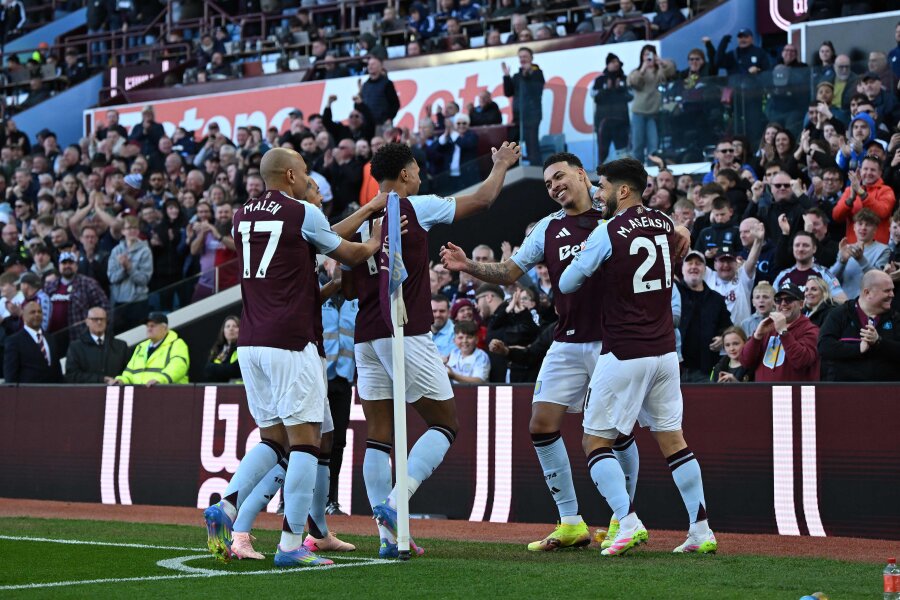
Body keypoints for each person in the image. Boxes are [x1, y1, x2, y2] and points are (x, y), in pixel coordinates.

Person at [441, 152, 690, 552]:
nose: (554, 186)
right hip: (568, 340)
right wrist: (467, 264)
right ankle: (571, 521)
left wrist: (680, 226)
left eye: (559, 177)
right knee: (541, 424)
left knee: (617, 434)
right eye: (547, 183)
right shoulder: (548, 228)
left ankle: (621, 519)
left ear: (581, 174)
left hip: (614, 342)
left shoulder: (612, 213)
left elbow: (651, 218)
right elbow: (509, 271)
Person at [202, 147, 382, 568]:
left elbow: (316, 237)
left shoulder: (242, 215)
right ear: (289, 175)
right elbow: (349, 253)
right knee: (305, 443)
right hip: (291, 341)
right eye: (304, 172)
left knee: (274, 440)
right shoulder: (302, 212)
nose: (307, 178)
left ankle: (227, 506)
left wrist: (366, 209)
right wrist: (376, 239)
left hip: (251, 341)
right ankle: (289, 545)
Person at [342, 141, 520, 558]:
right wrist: (500, 165)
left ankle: (388, 538)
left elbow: (347, 284)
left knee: (379, 437)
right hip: (404, 329)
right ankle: (395, 503)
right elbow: (483, 199)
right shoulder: (416, 206)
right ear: (405, 174)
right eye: (417, 170)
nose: (421, 176)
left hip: (365, 334)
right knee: (445, 423)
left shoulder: (361, 218)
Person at [558, 156, 715, 556]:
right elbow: (676, 236)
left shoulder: (607, 231)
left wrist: (587, 259)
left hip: (625, 350)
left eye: (602, 187)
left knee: (595, 441)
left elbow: (568, 282)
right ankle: (701, 529)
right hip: (664, 351)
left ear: (623, 190)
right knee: (674, 440)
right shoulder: (664, 222)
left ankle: (627, 522)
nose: (597, 193)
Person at [818, 270, 900, 381]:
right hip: (845, 388)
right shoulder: (840, 314)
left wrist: (879, 342)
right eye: (887, 291)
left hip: (886, 389)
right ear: (867, 293)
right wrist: (857, 349)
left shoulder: (895, 318)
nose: (892, 295)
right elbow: (824, 347)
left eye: (892, 290)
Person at [739, 282, 820, 382]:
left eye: (789, 299)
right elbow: (745, 362)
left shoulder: (810, 330)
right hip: (764, 390)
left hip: (794, 391)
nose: (783, 303)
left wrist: (783, 332)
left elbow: (801, 361)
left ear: (801, 304)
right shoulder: (768, 327)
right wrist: (756, 337)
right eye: (778, 300)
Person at [676, 251, 733, 382]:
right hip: (674, 369)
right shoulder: (673, 294)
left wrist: (722, 338)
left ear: (705, 270)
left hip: (705, 370)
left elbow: (728, 328)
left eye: (698, 263)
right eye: (690, 263)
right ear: (682, 269)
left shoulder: (716, 299)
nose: (694, 266)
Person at [627, 45, 675, 164]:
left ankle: (652, 170)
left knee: (653, 146)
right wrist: (643, 69)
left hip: (653, 113)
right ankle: (637, 171)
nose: (648, 57)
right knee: (637, 145)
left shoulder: (660, 71)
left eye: (651, 54)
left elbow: (672, 69)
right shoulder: (637, 71)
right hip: (639, 112)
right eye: (645, 54)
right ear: (641, 57)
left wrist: (660, 61)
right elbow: (633, 82)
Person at [832, 156, 896, 244]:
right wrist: (851, 199)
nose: (868, 173)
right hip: (853, 246)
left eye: (873, 170)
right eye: (865, 169)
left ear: (880, 173)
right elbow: (836, 216)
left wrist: (861, 193)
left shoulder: (886, 190)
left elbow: (882, 212)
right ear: (860, 171)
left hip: (878, 248)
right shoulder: (849, 190)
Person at [113, 312, 189, 386]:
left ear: (165, 328)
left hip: (167, 392)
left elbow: (178, 367)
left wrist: (160, 379)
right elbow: (129, 372)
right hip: (142, 393)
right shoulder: (141, 347)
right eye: (147, 326)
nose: (149, 329)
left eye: (153, 326)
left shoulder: (177, 344)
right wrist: (121, 380)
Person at [831, 209, 891, 299]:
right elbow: (831, 281)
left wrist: (861, 259)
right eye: (860, 224)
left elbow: (878, 280)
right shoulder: (846, 248)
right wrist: (841, 261)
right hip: (844, 302)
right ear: (854, 227)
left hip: (868, 302)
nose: (863, 228)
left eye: (868, 224)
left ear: (875, 229)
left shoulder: (883, 250)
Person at [773, 231, 847, 302]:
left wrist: (821, 300)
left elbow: (843, 301)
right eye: (797, 245)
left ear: (814, 249)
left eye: (805, 245)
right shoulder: (782, 275)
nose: (800, 249)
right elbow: (772, 302)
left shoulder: (824, 274)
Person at [108, 216, 153, 332]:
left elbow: (144, 280)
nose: (132, 231)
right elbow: (112, 278)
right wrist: (124, 269)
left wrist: (129, 268)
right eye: (129, 228)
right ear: (123, 231)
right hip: (119, 303)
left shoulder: (145, 251)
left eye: (135, 228)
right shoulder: (116, 251)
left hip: (138, 303)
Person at [64, 306, 128, 383]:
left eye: (102, 319)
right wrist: (101, 379)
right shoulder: (75, 347)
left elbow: (128, 372)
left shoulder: (121, 346)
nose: (99, 322)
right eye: (95, 319)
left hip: (115, 389)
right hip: (87, 390)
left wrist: (120, 380)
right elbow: (71, 376)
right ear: (87, 322)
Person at [503, 48, 544, 166]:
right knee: (512, 143)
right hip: (518, 116)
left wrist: (528, 75)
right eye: (520, 57)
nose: (522, 59)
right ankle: (512, 169)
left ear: (531, 58)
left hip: (532, 116)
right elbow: (508, 92)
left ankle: (536, 170)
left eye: (525, 56)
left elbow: (536, 91)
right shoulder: (517, 76)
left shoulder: (537, 73)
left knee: (532, 145)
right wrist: (506, 77)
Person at [3, 300, 62, 383]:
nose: (37, 314)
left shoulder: (51, 338)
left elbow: (57, 370)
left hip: (53, 389)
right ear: (24, 316)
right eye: (32, 312)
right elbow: (10, 376)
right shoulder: (14, 341)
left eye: (39, 312)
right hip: (28, 390)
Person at [591, 53, 632, 164]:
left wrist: (620, 89)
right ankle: (602, 173)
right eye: (613, 62)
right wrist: (606, 90)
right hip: (603, 123)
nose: (616, 64)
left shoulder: (625, 79)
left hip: (621, 122)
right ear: (607, 64)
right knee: (603, 154)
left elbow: (631, 96)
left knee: (623, 154)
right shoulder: (600, 80)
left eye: (617, 62)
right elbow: (594, 95)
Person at [204, 315, 240, 383]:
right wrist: (225, 369)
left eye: (235, 326)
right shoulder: (217, 349)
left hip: (236, 388)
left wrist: (214, 369)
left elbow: (235, 370)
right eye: (228, 326)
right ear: (223, 331)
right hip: (218, 387)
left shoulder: (243, 349)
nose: (231, 329)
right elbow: (207, 370)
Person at [430, 294, 455, 358]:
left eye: (442, 311)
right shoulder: (420, 330)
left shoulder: (456, 333)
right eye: (434, 311)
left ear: (449, 312)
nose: (438, 315)